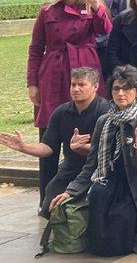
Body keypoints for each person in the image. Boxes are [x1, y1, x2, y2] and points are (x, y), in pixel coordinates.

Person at [51, 65, 137, 255]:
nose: (121, 93)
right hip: (109, 178)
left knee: (120, 218)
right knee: (97, 196)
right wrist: (72, 190)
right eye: (116, 88)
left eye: (126, 88)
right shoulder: (105, 121)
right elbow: (92, 163)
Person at [26, 0, 112, 207]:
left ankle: (80, 194)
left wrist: (96, 4)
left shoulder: (92, 8)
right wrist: (32, 82)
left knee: (86, 129)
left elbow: (105, 29)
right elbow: (35, 49)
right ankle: (46, 198)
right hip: (53, 74)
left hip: (83, 69)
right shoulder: (47, 11)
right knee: (50, 131)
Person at [2, 67, 112, 218]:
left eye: (81, 85)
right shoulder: (61, 112)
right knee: (49, 207)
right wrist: (24, 147)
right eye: (73, 84)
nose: (76, 89)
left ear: (95, 87)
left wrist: (83, 148)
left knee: (91, 206)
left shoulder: (106, 112)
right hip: (71, 167)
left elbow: (108, 151)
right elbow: (47, 147)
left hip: (99, 169)